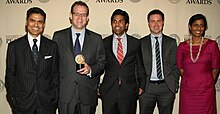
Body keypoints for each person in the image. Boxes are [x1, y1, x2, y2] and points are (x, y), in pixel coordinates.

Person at [52, 1, 106, 114]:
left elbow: (102, 63)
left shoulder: (96, 39)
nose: (80, 17)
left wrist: (90, 69)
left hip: (88, 94)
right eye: (76, 14)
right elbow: (53, 65)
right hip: (66, 94)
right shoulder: (58, 36)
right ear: (71, 16)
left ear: (87, 17)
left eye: (83, 14)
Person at [5, 7, 59, 114]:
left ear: (43, 24)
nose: (36, 25)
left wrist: (54, 97)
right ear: (26, 22)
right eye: (32, 20)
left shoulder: (52, 46)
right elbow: (10, 75)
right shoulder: (14, 47)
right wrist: (14, 97)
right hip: (22, 105)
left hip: (46, 105)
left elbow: (55, 74)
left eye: (40, 22)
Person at [99, 9, 146, 114]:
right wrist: (98, 86)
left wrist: (142, 85)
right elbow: (99, 65)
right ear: (111, 24)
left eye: (121, 21)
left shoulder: (135, 43)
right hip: (108, 91)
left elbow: (140, 65)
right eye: (114, 21)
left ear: (126, 25)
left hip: (129, 91)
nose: (117, 24)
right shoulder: (104, 43)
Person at [176, 14, 220, 114]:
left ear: (205, 27)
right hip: (188, 91)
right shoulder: (182, 47)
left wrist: (206, 81)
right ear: (190, 27)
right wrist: (191, 80)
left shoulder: (212, 45)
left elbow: (216, 67)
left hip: (206, 91)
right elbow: (180, 68)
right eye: (195, 25)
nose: (198, 28)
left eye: (201, 25)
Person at [139, 9, 180, 114]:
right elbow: (138, 67)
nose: (156, 24)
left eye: (159, 21)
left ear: (163, 22)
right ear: (148, 23)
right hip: (147, 89)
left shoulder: (171, 42)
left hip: (166, 88)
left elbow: (175, 65)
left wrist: (174, 84)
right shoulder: (141, 43)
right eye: (152, 21)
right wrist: (140, 86)